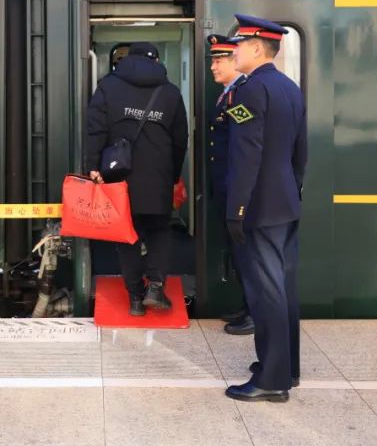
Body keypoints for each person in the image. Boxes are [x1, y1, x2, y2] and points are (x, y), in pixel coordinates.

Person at [223, 15, 307, 403]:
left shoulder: (252, 90)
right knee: (284, 290)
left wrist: (237, 208)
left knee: (267, 293)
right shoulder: (288, 87)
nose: (234, 50)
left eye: (238, 44)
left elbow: (247, 157)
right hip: (285, 201)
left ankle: (272, 381)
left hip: (259, 205)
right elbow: (300, 152)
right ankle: (285, 367)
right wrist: (293, 191)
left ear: (258, 47)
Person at [85, 41, 189, 316]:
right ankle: (155, 287)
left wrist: (93, 166)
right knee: (158, 231)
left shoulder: (108, 86)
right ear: (156, 60)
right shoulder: (170, 92)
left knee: (126, 236)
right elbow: (181, 140)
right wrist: (174, 174)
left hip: (118, 175)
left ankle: (135, 299)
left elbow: (94, 130)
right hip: (158, 175)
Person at [206, 34, 253, 335]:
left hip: (237, 190)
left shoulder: (241, 95)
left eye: (219, 60)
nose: (213, 67)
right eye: (212, 60)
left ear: (235, 61)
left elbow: (245, 145)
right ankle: (246, 305)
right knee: (237, 251)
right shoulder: (227, 94)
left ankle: (254, 311)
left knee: (247, 252)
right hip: (226, 186)